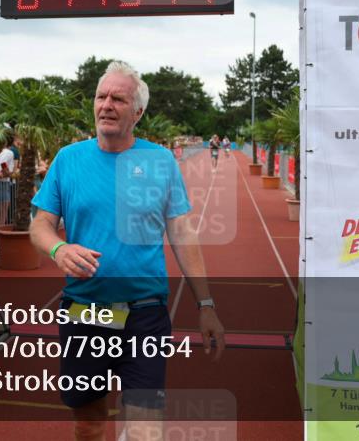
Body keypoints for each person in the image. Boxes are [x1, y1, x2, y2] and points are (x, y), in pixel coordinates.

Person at [30, 61, 225, 441]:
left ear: (137, 112)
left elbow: (183, 233)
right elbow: (40, 225)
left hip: (145, 314)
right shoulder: (69, 159)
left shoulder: (160, 161)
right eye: (101, 96)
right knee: (89, 425)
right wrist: (59, 249)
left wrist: (206, 306)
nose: (106, 105)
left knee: (144, 430)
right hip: (86, 311)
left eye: (118, 98)